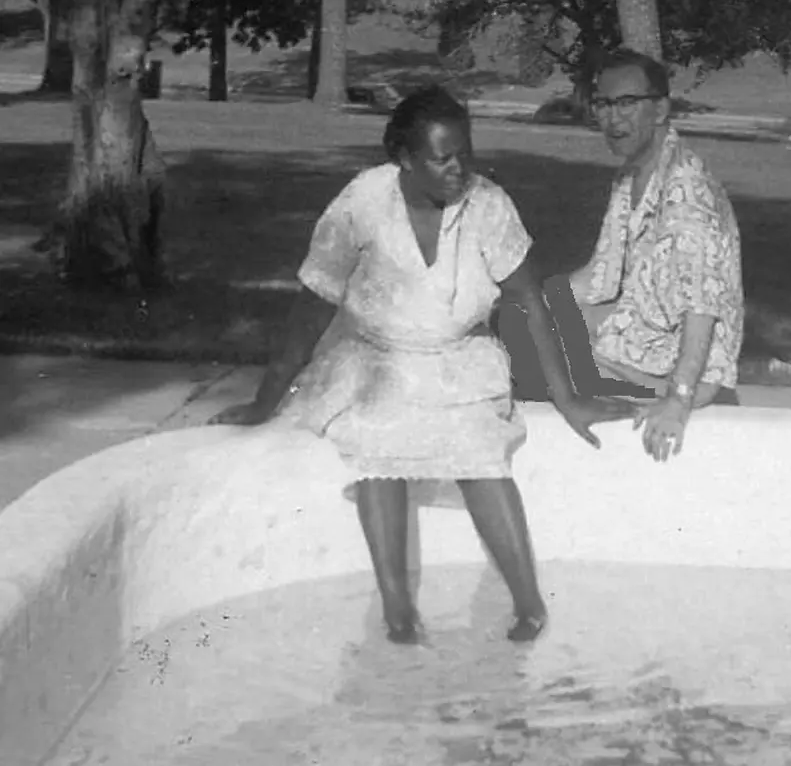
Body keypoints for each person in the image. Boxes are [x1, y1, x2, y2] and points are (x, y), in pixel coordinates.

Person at [210, 85, 635, 646]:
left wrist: (569, 398)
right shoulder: (362, 201)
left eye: (466, 152)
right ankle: (398, 606)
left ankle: (528, 600)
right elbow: (312, 305)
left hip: (458, 362)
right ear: (405, 159)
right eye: (442, 157)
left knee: (481, 453)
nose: (459, 168)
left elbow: (530, 302)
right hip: (377, 360)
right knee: (377, 446)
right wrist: (266, 400)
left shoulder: (487, 204)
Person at [498, 48, 744, 464]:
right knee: (516, 315)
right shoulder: (634, 174)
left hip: (670, 369)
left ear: (661, 108)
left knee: (522, 348)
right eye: (604, 104)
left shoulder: (686, 192)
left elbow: (703, 306)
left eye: (628, 103)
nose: (614, 118)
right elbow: (600, 274)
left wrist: (679, 400)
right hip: (638, 334)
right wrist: (518, 297)